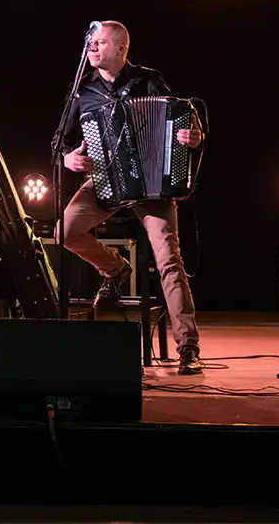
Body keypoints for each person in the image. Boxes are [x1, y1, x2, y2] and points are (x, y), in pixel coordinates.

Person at [56, 20, 205, 374]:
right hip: (104, 181)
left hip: (151, 188)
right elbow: (60, 141)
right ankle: (114, 268)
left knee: (168, 258)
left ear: (121, 48)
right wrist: (68, 157)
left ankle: (189, 346)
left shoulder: (148, 80)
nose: (92, 48)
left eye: (100, 43)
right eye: (91, 42)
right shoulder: (83, 91)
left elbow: (183, 119)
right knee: (64, 230)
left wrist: (193, 136)